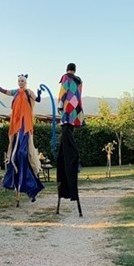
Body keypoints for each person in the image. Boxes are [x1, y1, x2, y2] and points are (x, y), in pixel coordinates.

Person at [0, 74, 44, 202]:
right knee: (15, 157)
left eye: (22, 81)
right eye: (19, 80)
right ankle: (20, 184)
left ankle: (31, 187)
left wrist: (39, 94)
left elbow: (38, 100)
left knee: (22, 154)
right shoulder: (15, 92)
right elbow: (3, 91)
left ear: (26, 82)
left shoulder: (28, 92)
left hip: (25, 127)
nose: (20, 82)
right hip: (16, 128)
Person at [57, 63, 84, 203]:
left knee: (66, 136)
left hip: (67, 109)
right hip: (75, 111)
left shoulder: (65, 77)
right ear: (75, 70)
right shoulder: (79, 80)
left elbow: (63, 92)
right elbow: (79, 96)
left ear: (67, 69)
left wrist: (59, 106)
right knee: (69, 134)